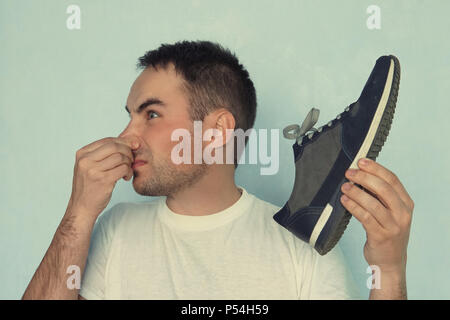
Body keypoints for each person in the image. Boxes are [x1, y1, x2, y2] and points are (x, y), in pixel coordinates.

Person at [22, 41, 413, 300]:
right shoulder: (114, 230)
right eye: (129, 117)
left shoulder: (302, 248)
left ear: (217, 131)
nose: (127, 137)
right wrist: (78, 215)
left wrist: (389, 268)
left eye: (151, 114)